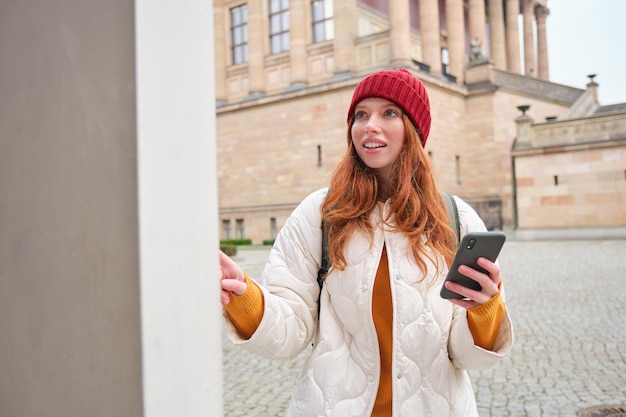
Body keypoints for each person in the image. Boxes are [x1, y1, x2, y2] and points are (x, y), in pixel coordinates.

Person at [219, 67, 513, 417]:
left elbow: (466, 356)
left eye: (389, 113)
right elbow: (291, 331)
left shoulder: (456, 218)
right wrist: (245, 299)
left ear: (414, 130)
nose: (369, 125)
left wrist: (484, 310)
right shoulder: (320, 213)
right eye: (361, 114)